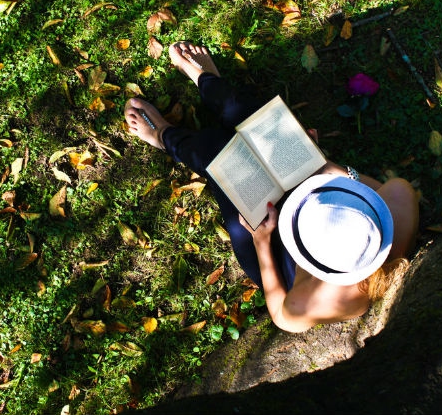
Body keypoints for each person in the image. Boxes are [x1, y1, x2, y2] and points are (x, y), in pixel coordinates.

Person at [124, 42, 419, 333]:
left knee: (220, 157)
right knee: (260, 124)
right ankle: (208, 81)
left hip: (273, 251)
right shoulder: (399, 203)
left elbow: (280, 315)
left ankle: (164, 135)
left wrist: (262, 243)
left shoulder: (318, 301)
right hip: (318, 207)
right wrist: (324, 165)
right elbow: (389, 187)